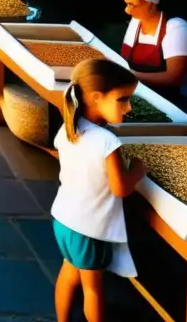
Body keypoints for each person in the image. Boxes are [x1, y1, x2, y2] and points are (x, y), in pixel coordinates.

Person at [52, 60, 146, 322]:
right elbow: (121, 188)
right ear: (96, 97)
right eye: (123, 99)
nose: (129, 108)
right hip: (89, 229)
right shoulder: (108, 142)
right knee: (92, 289)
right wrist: (138, 170)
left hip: (64, 220)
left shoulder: (69, 129)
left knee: (69, 275)